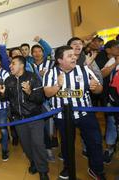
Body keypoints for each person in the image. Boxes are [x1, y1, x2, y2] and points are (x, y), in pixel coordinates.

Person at [43, 46, 105, 180]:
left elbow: (100, 88)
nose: (74, 57)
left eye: (74, 55)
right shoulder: (50, 73)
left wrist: (95, 88)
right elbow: (47, 93)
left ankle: (97, 169)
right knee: (66, 144)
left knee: (95, 141)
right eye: (69, 56)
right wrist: (57, 86)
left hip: (85, 114)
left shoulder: (84, 69)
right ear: (60, 60)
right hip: (62, 117)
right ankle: (68, 167)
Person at [0, 55, 49, 180]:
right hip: (18, 119)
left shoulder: (33, 77)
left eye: (13, 63)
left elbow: (41, 98)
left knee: (38, 144)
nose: (10, 66)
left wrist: (30, 93)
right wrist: (2, 93)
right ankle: (33, 162)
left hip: (34, 117)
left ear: (21, 65)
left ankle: (43, 170)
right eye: (10, 63)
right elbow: (5, 99)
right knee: (26, 145)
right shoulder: (8, 80)